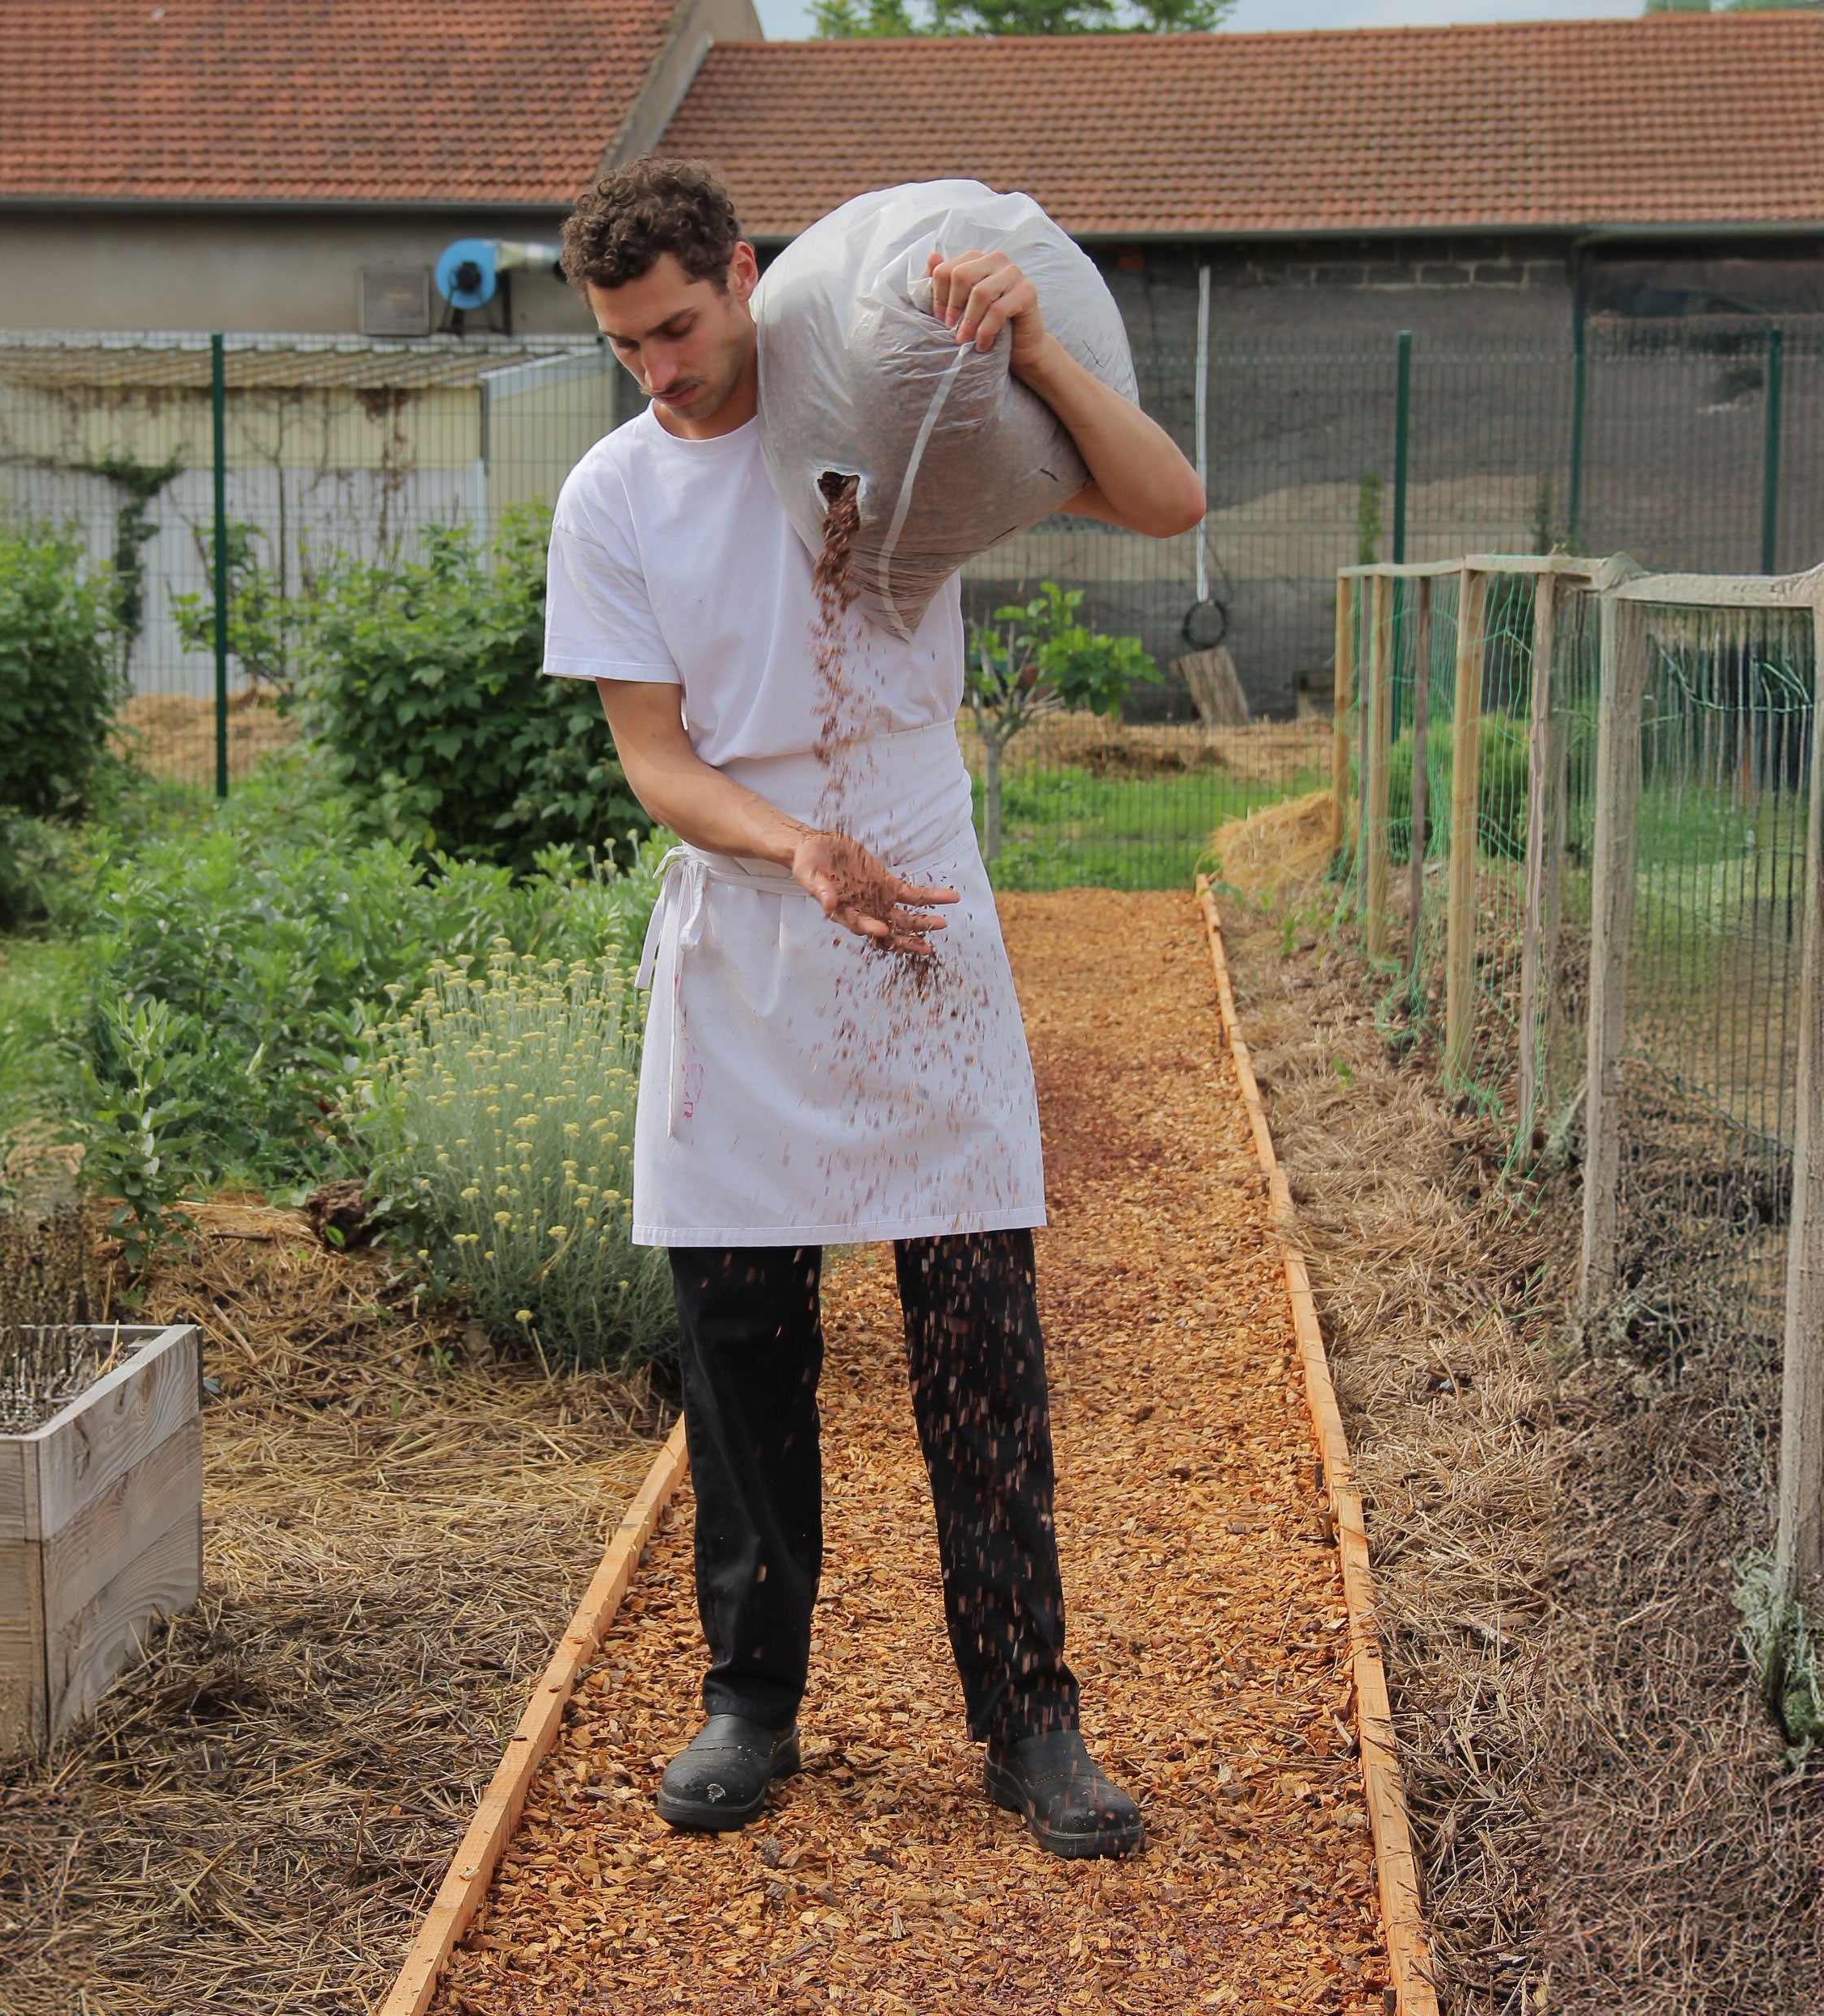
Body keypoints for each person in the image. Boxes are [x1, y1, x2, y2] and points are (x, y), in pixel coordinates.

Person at [544, 157, 1204, 1860]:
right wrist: (796, 850)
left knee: (979, 1341)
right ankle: (751, 1704)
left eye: (680, 328)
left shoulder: (892, 413)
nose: (662, 370)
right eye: (627, 346)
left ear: (745, 276)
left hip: (919, 904)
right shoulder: (611, 496)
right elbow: (654, 757)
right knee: (741, 1341)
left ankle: (1030, 1721)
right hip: (754, 926)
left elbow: (1166, 502)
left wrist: (1036, 349)